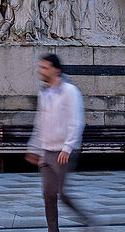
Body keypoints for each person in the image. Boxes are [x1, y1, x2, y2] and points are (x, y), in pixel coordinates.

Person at [25, 53, 92, 232]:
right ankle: (53, 230)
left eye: (45, 67)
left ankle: (86, 219)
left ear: (56, 70)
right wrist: (34, 148)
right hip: (46, 152)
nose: (41, 71)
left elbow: (76, 121)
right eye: (41, 67)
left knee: (62, 194)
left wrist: (68, 147)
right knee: (48, 194)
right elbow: (40, 123)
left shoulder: (70, 91)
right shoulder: (44, 93)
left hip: (63, 153)